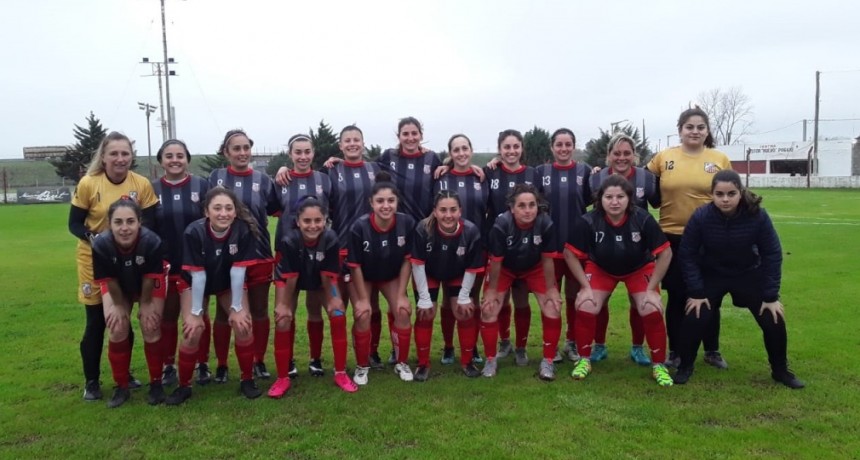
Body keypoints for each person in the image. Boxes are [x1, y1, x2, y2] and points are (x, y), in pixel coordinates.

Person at [674, 170, 804, 388]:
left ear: (740, 193)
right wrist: (696, 291)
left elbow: (772, 253)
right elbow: (687, 254)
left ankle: (780, 371)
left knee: (773, 317)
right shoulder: (701, 216)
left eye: (731, 193)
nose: (725, 199)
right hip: (713, 274)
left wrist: (771, 295)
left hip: (747, 273)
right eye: (719, 194)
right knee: (695, 314)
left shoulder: (757, 215)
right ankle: (685, 366)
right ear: (712, 194)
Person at [69, 131, 158, 401]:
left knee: (127, 316)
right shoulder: (88, 183)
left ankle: (125, 375)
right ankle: (92, 380)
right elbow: (74, 223)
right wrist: (97, 239)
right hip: (96, 259)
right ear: (104, 157)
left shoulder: (140, 183)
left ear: (131, 156)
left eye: (125, 154)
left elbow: (152, 222)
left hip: (133, 260)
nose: (120, 159)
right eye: (114, 154)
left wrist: (134, 245)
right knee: (98, 320)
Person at [563, 175, 674, 386]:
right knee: (587, 304)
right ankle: (584, 359)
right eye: (609, 197)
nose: (615, 202)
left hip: (638, 268)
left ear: (629, 199)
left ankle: (658, 364)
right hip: (601, 269)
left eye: (620, 197)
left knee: (650, 307)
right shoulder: (588, 220)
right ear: (600, 199)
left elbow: (666, 253)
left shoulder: (642, 218)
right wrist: (585, 287)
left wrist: (652, 289)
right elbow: (569, 254)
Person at [646, 108, 732, 368]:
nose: (695, 131)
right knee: (677, 295)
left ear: (707, 131)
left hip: (709, 238)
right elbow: (641, 181)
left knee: (710, 295)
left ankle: (712, 350)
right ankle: (676, 350)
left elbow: (732, 194)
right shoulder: (664, 157)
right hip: (672, 237)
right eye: (689, 127)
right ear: (680, 130)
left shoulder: (719, 159)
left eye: (700, 127)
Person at [165, 187, 264, 404]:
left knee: (243, 325)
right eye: (217, 208)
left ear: (235, 211)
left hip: (227, 282)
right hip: (194, 282)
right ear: (206, 212)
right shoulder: (194, 232)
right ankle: (184, 386)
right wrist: (196, 313)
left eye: (229, 208)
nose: (223, 213)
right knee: (193, 330)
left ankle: (247, 379)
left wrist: (237, 308)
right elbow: (198, 277)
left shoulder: (243, 230)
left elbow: (238, 272)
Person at [209, 129, 280, 383]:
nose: (242, 153)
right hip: (225, 257)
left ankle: (258, 361)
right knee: (224, 312)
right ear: (226, 152)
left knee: (259, 310)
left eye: (245, 148)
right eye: (236, 148)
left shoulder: (263, 180)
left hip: (259, 253)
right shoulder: (216, 177)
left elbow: (274, 209)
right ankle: (222, 364)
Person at [269, 197, 358, 397]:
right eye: (307, 221)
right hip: (291, 280)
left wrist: (334, 299)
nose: (312, 225)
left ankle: (340, 373)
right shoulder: (289, 241)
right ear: (298, 221)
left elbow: (328, 277)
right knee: (283, 319)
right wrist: (283, 305)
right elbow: (290, 279)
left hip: (319, 278)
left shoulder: (331, 239)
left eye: (318, 220)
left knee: (337, 313)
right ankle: (282, 377)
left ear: (325, 220)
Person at [588, 133, 660, 366]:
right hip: (603, 251)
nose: (621, 157)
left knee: (638, 302)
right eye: (616, 153)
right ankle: (599, 345)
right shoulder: (596, 179)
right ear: (608, 156)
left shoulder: (647, 179)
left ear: (634, 155)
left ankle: (638, 348)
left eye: (627, 153)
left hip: (638, 252)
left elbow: (659, 202)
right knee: (599, 301)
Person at [480, 184, 562, 380]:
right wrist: (491, 291)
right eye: (522, 206)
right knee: (489, 308)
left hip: (534, 268)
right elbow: (496, 262)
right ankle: (490, 359)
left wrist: (551, 289)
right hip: (505, 268)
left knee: (553, 307)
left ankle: (547, 361)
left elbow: (548, 259)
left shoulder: (545, 223)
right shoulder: (501, 225)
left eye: (532, 205)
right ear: (512, 208)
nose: (527, 210)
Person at [91, 199, 167, 407]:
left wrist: (145, 304)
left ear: (139, 222)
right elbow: (111, 281)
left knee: (150, 325)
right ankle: (121, 386)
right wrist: (117, 306)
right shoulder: (101, 245)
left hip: (148, 284)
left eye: (130, 221)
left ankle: (156, 384)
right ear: (109, 224)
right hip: (118, 286)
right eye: (118, 222)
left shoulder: (152, 241)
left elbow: (150, 278)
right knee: (117, 327)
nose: (125, 228)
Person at [150, 140, 212, 387]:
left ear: (187, 159)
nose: (175, 160)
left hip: (196, 263)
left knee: (200, 313)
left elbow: (212, 220)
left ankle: (202, 362)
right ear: (161, 160)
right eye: (169, 156)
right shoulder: (151, 189)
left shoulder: (201, 185)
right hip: (164, 263)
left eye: (180, 155)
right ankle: (168, 365)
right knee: (168, 316)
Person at [347, 172, 416, 383]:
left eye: (390, 200)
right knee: (363, 312)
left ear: (397, 202)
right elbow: (355, 266)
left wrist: (403, 293)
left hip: (390, 275)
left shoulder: (407, 223)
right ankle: (362, 366)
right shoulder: (359, 227)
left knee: (403, 310)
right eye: (380, 201)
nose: (385, 205)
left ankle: (401, 362)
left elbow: (407, 260)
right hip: (363, 276)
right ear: (371, 203)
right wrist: (361, 299)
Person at [326, 126, 385, 369]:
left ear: (363, 143)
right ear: (340, 146)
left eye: (356, 140)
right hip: (340, 247)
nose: (352, 144)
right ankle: (337, 360)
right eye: (347, 140)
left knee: (370, 303)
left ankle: (371, 352)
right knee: (339, 305)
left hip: (370, 248)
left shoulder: (376, 169)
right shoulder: (331, 171)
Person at [410, 190, 486, 379]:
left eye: (453, 210)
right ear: (435, 211)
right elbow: (417, 266)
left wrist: (464, 297)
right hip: (428, 273)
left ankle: (467, 362)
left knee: (464, 311)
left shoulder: (471, 231)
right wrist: (425, 299)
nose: (448, 215)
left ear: (460, 211)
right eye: (443, 210)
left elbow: (471, 268)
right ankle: (423, 364)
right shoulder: (423, 229)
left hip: (457, 273)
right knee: (426, 313)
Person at [274, 134, 332, 378]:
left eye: (307, 151)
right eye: (298, 152)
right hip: (287, 251)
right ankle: (286, 361)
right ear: (290, 154)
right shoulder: (281, 180)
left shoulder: (325, 179)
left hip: (318, 251)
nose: (303, 156)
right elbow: (272, 210)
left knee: (314, 306)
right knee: (286, 307)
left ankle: (315, 359)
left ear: (313, 153)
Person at [535, 128, 592, 364]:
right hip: (549, 245)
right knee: (551, 296)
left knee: (573, 296)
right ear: (552, 147)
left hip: (576, 245)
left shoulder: (585, 171)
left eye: (568, 144)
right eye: (559, 144)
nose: (563, 149)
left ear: (574, 146)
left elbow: (590, 200)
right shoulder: (541, 172)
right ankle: (553, 345)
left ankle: (571, 342)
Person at [432, 134, 488, 366]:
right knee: (448, 299)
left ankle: (471, 346)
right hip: (445, 247)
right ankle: (448, 346)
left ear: (471, 150)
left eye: (465, 148)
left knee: (471, 298)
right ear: (451, 153)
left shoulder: (482, 176)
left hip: (476, 247)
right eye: (456, 149)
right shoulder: (440, 177)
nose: (461, 153)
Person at [484, 130, 539, 366]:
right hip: (497, 245)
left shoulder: (532, 174)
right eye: (506, 147)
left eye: (515, 146)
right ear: (499, 149)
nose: (511, 151)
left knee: (521, 299)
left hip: (525, 247)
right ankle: (504, 341)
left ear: (522, 148)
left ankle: (521, 347)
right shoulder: (490, 172)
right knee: (499, 298)